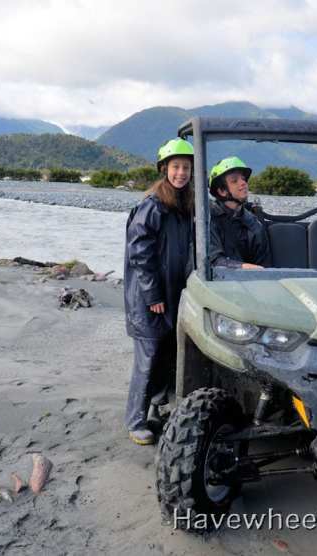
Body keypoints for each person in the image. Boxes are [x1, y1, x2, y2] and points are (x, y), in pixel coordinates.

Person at [123, 138, 194, 445]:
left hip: (172, 294)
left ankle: (155, 410)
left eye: (186, 168)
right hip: (149, 298)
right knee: (148, 358)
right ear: (164, 169)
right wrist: (153, 297)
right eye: (176, 167)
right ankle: (135, 421)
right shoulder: (152, 206)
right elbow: (139, 254)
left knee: (166, 354)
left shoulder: (183, 206)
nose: (181, 173)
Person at [208, 156, 271, 269]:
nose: (243, 183)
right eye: (234, 180)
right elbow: (212, 261)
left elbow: (263, 267)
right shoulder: (208, 219)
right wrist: (243, 267)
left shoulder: (254, 224)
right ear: (222, 191)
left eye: (243, 179)